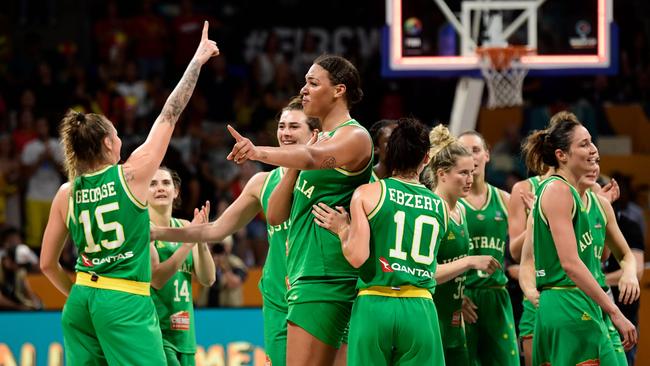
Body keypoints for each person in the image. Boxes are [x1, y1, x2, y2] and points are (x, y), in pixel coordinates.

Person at [39, 22, 218, 365]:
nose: (121, 140)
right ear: (108, 143)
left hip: (81, 301)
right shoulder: (132, 176)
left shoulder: (67, 192)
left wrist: (82, 293)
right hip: (124, 300)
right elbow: (171, 112)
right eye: (117, 135)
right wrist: (197, 61)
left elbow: (47, 264)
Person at [151, 96, 319, 365]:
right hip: (278, 296)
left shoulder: (329, 179)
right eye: (282, 126)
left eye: (294, 127)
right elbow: (216, 229)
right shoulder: (261, 182)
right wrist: (159, 233)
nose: (286, 133)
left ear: (314, 135)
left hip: (317, 294)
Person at [228, 55, 372, 366]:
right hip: (307, 274)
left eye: (312, 82)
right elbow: (278, 216)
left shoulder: (355, 136)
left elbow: (309, 158)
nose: (303, 90)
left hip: (329, 276)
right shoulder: (324, 140)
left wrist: (257, 151)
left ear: (339, 90)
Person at [311, 118, 448, 365]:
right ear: (426, 158)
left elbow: (357, 257)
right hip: (420, 306)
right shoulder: (441, 206)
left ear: (389, 154)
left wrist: (343, 229)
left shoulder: (368, 193)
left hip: (375, 302)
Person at [523, 114, 637, 365]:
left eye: (591, 141)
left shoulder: (588, 200)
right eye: (584, 144)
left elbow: (617, 255)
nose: (593, 149)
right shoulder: (556, 190)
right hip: (567, 301)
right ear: (562, 155)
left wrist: (629, 273)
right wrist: (615, 312)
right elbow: (570, 264)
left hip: (590, 300)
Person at [423, 125, 501, 365]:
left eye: (471, 172)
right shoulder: (433, 210)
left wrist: (460, 294)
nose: (470, 179)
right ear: (442, 173)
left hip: (454, 321)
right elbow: (426, 274)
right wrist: (469, 261)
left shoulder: (459, 210)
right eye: (463, 173)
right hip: (431, 320)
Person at [457, 131, 519, 366]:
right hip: (463, 298)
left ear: (487, 154)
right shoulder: (449, 203)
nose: (470, 157)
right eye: (462, 151)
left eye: (475, 150)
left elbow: (523, 251)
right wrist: (456, 297)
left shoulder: (505, 199)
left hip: (496, 295)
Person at [148, 167, 215, 365]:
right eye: (152, 184)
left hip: (185, 336)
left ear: (176, 191)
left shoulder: (186, 226)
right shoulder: (144, 228)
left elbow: (208, 278)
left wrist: (200, 238)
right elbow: (157, 279)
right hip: (157, 333)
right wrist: (189, 241)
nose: (160, 188)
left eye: (166, 183)